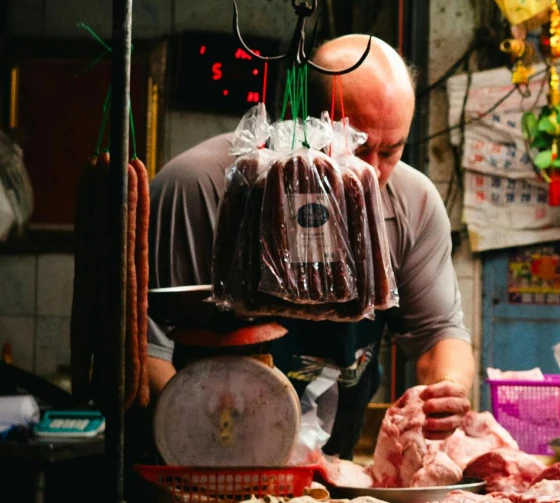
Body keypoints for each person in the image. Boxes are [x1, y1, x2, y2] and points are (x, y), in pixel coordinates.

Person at [146, 34, 475, 454]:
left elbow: (438, 335)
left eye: (391, 151)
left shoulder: (414, 203)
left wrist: (448, 388)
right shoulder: (199, 188)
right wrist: (213, 443)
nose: (372, 172)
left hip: (327, 475)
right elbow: (144, 351)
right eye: (356, 147)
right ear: (303, 122)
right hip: (203, 463)